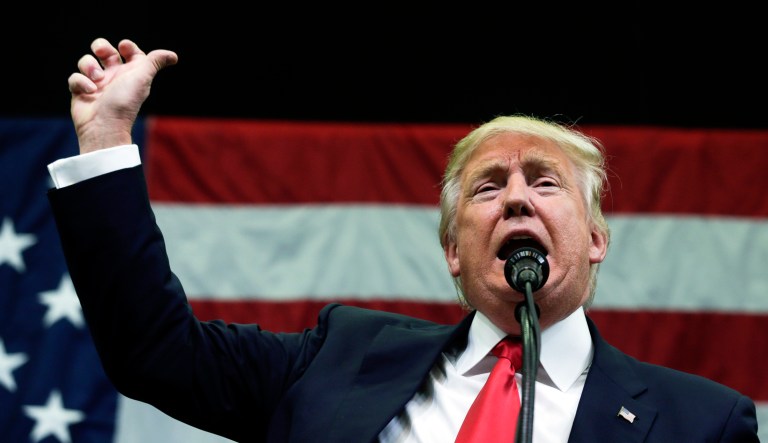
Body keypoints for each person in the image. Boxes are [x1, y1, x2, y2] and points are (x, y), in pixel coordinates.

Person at [47, 38, 759, 443]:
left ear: (597, 237)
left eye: (545, 183)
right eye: (487, 188)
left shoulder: (703, 421)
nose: (515, 194)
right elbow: (153, 352)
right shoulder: (339, 356)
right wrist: (106, 140)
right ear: (454, 251)